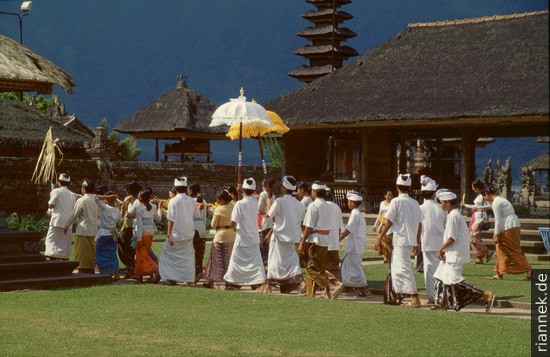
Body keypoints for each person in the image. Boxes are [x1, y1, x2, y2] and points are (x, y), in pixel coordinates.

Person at [432, 191, 496, 312]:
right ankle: (441, 304)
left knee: (455, 280)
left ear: (447, 203)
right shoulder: (453, 215)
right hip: (451, 253)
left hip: (454, 255)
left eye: (441, 202)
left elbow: (452, 237)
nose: (440, 204)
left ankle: (485, 295)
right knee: (440, 277)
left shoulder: (453, 216)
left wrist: (441, 249)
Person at [377, 174, 423, 307]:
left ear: (397, 187)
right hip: (410, 239)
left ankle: (414, 296)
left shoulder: (396, 202)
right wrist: (417, 242)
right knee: (397, 268)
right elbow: (420, 224)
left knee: (403, 268)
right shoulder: (415, 203)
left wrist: (379, 238)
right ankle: (400, 295)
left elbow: (389, 221)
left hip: (400, 239)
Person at [298, 181, 343, 299]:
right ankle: (311, 293)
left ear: (314, 192)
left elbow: (308, 227)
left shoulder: (314, 205)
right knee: (318, 266)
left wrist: (302, 243)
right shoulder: (328, 206)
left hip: (315, 240)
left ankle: (332, 284)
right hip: (325, 240)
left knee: (311, 267)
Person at [224, 178, 267, 288]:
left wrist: (235, 229)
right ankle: (256, 280)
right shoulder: (255, 202)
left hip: (242, 236)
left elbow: (233, 222)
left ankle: (233, 281)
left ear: (243, 189)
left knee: (236, 261)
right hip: (253, 236)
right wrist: (242, 191)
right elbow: (254, 196)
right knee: (255, 262)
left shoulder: (239, 204)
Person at [266, 176, 305, 293]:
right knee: (292, 263)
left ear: (283, 188)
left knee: (274, 261)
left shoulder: (279, 201)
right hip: (292, 237)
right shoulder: (299, 205)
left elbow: (269, 215)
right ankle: (300, 283)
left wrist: (269, 202)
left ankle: (269, 286)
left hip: (279, 237)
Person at [483, 187, 531, 280]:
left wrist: (496, 234)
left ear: (487, 194)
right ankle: (499, 273)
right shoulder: (499, 200)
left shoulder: (496, 203)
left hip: (509, 227)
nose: (485, 199)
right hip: (510, 226)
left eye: (484, 196)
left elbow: (498, 219)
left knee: (512, 249)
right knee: (500, 249)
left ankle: (528, 270)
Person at [159, 177, 200, 285]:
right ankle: (190, 280)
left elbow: (170, 219)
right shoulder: (192, 201)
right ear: (186, 188)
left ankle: (172, 277)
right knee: (188, 257)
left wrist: (169, 234)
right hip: (188, 231)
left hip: (176, 232)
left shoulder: (173, 201)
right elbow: (196, 215)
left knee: (167, 254)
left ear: (176, 189)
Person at [419, 178, 447, 304]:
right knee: (440, 269)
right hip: (441, 242)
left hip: (426, 241)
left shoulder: (420, 208)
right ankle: (440, 294)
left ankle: (433, 295)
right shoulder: (441, 208)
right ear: (434, 194)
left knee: (429, 270)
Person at [339, 191, 371, 297]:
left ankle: (365, 288)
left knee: (356, 268)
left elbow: (348, 230)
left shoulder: (355, 214)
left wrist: (337, 239)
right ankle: (349, 287)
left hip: (355, 246)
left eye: (349, 201)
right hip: (355, 246)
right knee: (346, 267)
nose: (347, 203)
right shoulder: (357, 214)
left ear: (352, 203)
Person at [64, 179, 99, 274]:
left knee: (82, 252)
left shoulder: (82, 200)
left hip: (83, 230)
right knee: (91, 252)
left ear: (84, 189)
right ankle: (90, 268)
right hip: (93, 230)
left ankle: (83, 269)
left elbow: (74, 214)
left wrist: (66, 226)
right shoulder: (96, 201)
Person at [204, 190, 236, 289]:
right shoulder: (233, 206)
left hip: (220, 236)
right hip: (232, 235)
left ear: (222, 200)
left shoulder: (219, 210)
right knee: (229, 260)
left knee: (215, 260)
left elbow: (213, 225)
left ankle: (211, 281)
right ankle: (229, 281)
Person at [45, 173, 77, 260]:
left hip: (57, 219)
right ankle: (63, 256)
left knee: (52, 239)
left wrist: (51, 196)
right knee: (64, 240)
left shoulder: (56, 191)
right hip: (68, 221)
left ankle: (52, 256)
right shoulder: (72, 194)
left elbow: (51, 205)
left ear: (59, 182)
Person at [134, 189, 161, 283]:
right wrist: (159, 207)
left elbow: (140, 224)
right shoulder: (153, 207)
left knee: (141, 255)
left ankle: (154, 268)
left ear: (141, 198)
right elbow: (159, 218)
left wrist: (139, 238)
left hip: (143, 233)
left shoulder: (139, 209)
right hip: (150, 233)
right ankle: (149, 274)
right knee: (145, 253)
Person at [464, 179, 494, 264]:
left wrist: (477, 208)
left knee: (473, 238)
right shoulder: (479, 195)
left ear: (477, 187)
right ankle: (479, 257)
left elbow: (489, 206)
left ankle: (487, 252)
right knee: (474, 237)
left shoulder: (484, 195)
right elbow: (476, 206)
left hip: (481, 217)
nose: (473, 189)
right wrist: (467, 206)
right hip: (476, 216)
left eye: (474, 187)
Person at [94, 191, 122, 279]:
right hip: (112, 234)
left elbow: (95, 197)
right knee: (112, 254)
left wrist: (106, 196)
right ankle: (116, 273)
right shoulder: (116, 210)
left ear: (107, 200)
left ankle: (105, 273)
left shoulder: (105, 207)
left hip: (104, 233)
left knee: (100, 254)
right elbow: (120, 220)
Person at [118, 181, 141, 278]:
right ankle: (132, 268)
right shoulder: (139, 200)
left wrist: (122, 207)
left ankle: (131, 269)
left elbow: (124, 215)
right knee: (130, 250)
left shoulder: (130, 200)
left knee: (124, 250)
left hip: (128, 228)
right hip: (133, 228)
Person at [189, 183, 207, 282]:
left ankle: (194, 273)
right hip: (202, 228)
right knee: (200, 253)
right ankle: (199, 271)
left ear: (191, 191)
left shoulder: (190, 201)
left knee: (192, 252)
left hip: (194, 228)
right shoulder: (203, 201)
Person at [326, 187, 345, 281]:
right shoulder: (337, 208)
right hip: (334, 243)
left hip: (323, 243)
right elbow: (340, 228)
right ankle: (337, 282)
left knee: (323, 267)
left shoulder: (321, 206)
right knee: (334, 267)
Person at [373, 188, 393, 263]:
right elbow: (380, 214)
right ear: (385, 196)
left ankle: (388, 257)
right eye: (388, 195)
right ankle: (384, 256)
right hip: (383, 224)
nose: (390, 197)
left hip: (390, 225)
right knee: (381, 240)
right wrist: (375, 225)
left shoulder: (393, 204)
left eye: (391, 195)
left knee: (388, 241)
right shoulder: (382, 203)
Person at [258, 179, 274, 266]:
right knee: (268, 242)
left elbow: (260, 207)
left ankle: (264, 259)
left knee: (262, 241)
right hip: (270, 220)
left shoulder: (263, 194)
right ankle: (269, 258)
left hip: (264, 218)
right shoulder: (273, 195)